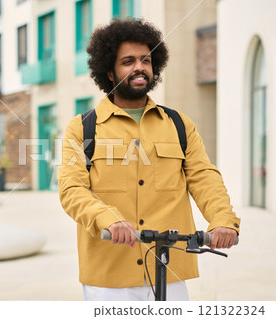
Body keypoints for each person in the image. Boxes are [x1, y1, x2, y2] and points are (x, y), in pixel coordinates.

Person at [57, 19, 240, 301]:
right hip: (109, 274)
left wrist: (223, 220)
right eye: (128, 61)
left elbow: (204, 177)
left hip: (172, 268)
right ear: (109, 71)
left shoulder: (179, 124)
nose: (139, 67)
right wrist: (109, 220)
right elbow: (72, 189)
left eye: (145, 60)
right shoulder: (82, 128)